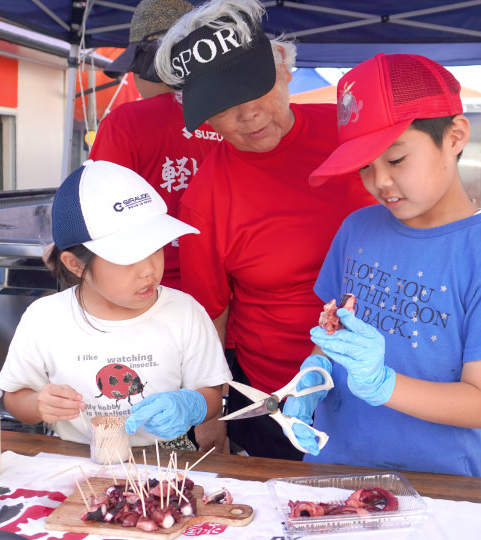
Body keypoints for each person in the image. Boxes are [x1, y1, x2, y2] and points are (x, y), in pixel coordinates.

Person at [274, 53, 481, 476]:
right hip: (332, 463)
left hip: (434, 481)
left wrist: (384, 385)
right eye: (365, 165)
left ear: (455, 137)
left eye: (396, 160)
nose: (379, 180)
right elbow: (331, 332)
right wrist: (314, 372)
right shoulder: (357, 228)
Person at [153, 0, 377, 460]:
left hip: (388, 387)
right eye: (224, 106)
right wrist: (209, 417)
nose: (249, 115)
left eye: (258, 89)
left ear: (285, 68)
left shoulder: (357, 136)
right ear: (203, 118)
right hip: (280, 399)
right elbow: (210, 320)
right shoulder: (207, 197)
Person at [0, 160, 231, 450]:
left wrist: (192, 403)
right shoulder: (45, 318)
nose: (149, 270)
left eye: (156, 248)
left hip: (167, 460)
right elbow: (14, 396)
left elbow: (211, 392)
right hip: (76, 458)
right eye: (129, 257)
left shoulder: (185, 312)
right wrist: (38, 405)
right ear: (76, 264)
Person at [88, 0, 222, 291]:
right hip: (223, 286)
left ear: (148, 65)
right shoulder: (229, 118)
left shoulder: (125, 123)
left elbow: (99, 212)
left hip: (147, 286)